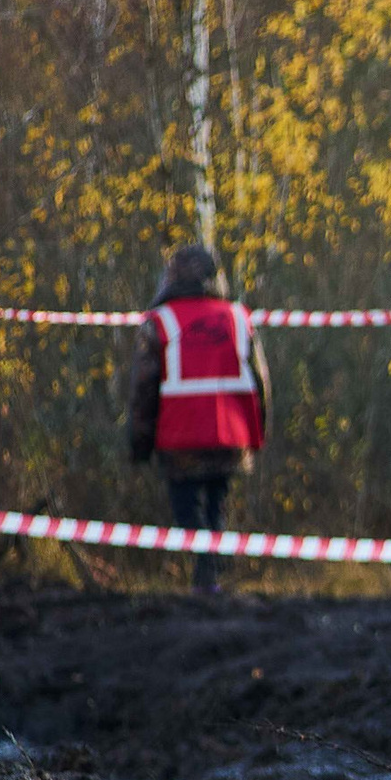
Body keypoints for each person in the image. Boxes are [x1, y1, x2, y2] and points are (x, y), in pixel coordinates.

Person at [127, 244, 270, 594]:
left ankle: (206, 575)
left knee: (187, 510)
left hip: (180, 440)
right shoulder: (239, 317)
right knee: (216, 503)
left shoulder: (159, 323)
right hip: (229, 439)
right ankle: (212, 574)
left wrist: (139, 442)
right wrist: (256, 434)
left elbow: (144, 390)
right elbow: (262, 383)